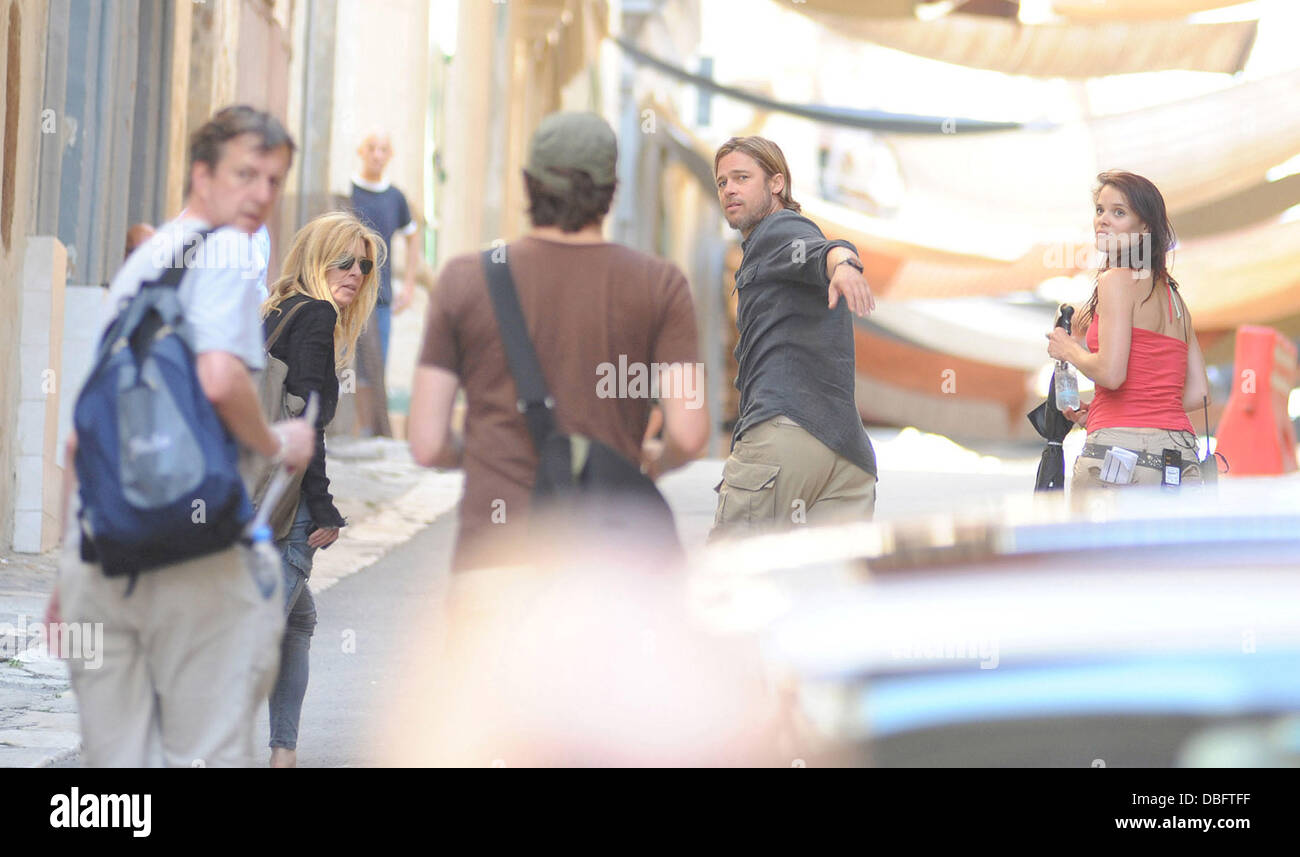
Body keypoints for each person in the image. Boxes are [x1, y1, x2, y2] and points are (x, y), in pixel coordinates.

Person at [50, 105, 316, 767]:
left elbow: (82, 436)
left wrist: (67, 564)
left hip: (105, 550)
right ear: (202, 173)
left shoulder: (144, 263)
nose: (259, 193)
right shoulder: (229, 249)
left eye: (274, 180)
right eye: (245, 173)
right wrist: (278, 441)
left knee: (115, 773)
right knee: (213, 747)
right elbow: (221, 378)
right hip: (191, 547)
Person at [407, 111, 709, 571]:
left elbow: (427, 444)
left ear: (528, 184)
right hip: (606, 570)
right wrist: (651, 462)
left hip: (494, 562)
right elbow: (688, 434)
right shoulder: (660, 285)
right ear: (612, 190)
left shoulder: (463, 280)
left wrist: (485, 451)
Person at [709, 136, 877, 540]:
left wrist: (844, 265)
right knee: (822, 597)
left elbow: (824, 251)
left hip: (784, 438)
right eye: (721, 182)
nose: (729, 189)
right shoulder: (771, 243)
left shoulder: (778, 229)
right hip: (847, 457)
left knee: (729, 583)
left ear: (776, 183)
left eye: (741, 177)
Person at [260, 211, 382, 767]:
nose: (355, 272)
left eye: (364, 264)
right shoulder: (314, 316)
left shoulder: (278, 309)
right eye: (343, 260)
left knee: (298, 620)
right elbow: (306, 419)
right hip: (289, 506)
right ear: (316, 257)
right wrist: (323, 506)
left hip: (259, 496)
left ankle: (283, 755)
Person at [1047, 170, 1208, 490]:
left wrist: (1069, 350)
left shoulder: (1117, 279)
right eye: (1100, 210)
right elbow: (1198, 393)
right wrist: (1101, 409)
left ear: (1145, 226)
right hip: (1180, 456)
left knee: (1096, 542)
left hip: (1120, 455)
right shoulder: (1174, 297)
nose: (1103, 220)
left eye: (1118, 212)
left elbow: (1111, 373)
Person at [349, 132, 422, 363]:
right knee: (341, 372)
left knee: (375, 373)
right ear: (361, 151)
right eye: (371, 148)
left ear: (390, 155)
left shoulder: (395, 197)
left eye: (383, 150)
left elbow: (413, 235)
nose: (377, 155)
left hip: (380, 299)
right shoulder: (348, 192)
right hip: (345, 296)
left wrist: (409, 285)